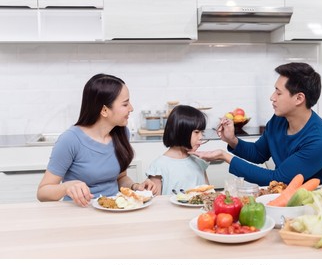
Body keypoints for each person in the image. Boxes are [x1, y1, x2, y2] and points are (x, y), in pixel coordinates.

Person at [191, 62, 322, 186]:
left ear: (299, 98)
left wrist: (225, 157)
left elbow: (278, 179)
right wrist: (232, 140)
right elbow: (259, 153)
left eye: (278, 93)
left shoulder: (320, 141)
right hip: (284, 198)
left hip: (312, 206)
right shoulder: (279, 120)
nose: (272, 97)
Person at [37, 73, 157, 207]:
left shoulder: (122, 133)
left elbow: (121, 178)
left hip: (114, 209)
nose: (131, 108)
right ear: (104, 110)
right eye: (125, 104)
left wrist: (135, 187)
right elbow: (42, 193)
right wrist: (67, 187)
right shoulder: (70, 140)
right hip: (80, 213)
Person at [146, 105, 210, 195]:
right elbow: (156, 204)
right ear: (181, 132)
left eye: (202, 132)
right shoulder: (159, 167)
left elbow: (208, 194)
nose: (201, 137)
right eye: (196, 132)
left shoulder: (199, 161)